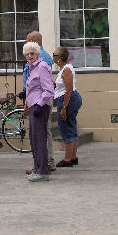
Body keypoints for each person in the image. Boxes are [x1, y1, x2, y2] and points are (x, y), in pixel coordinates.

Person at [20, 31, 55, 170]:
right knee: (35, 137)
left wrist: (39, 105)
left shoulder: (42, 62)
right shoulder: (32, 63)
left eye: (31, 53)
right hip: (33, 102)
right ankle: (39, 166)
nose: (29, 55)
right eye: (27, 54)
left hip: (40, 104)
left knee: (41, 136)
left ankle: (44, 166)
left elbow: (47, 88)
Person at [52, 46, 83, 167]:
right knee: (71, 126)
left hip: (68, 100)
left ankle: (68, 159)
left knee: (66, 128)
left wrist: (64, 107)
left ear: (59, 58)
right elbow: (61, 85)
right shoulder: (63, 69)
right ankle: (73, 157)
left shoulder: (66, 70)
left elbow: (68, 89)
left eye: (54, 55)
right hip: (67, 99)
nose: (53, 57)